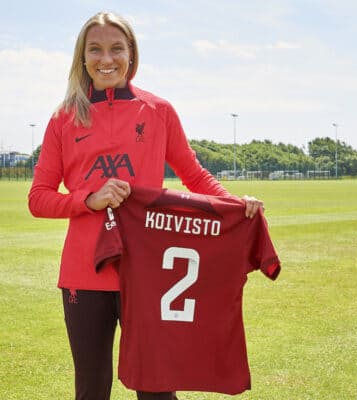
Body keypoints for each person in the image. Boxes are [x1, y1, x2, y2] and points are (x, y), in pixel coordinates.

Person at [28, 11, 263, 400]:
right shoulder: (64, 117)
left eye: (117, 48)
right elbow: (38, 198)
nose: (107, 59)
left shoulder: (158, 111)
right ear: (82, 57)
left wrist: (236, 204)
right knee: (91, 389)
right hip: (83, 274)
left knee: (156, 388)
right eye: (96, 50)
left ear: (132, 54)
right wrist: (89, 199)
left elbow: (194, 175)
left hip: (149, 273)